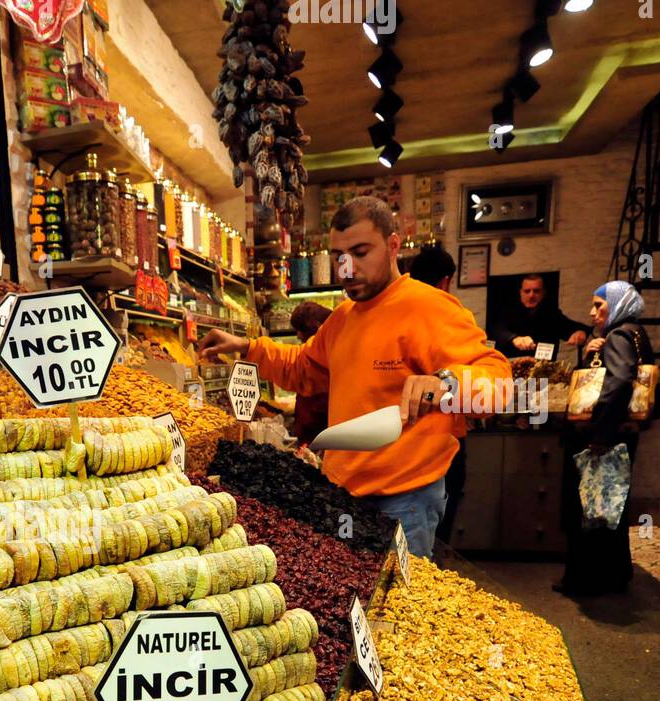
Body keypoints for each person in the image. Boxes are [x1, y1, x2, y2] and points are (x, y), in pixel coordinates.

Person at [198, 196, 512, 558]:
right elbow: (302, 369)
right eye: (338, 255)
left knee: (395, 608)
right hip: (342, 494)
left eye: (361, 252)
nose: (346, 268)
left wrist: (446, 383)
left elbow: (498, 382)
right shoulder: (343, 319)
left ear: (393, 245)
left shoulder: (429, 308)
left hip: (404, 501)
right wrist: (247, 347)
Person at [556, 281, 652, 596]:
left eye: (599, 305)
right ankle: (614, 574)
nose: (592, 312)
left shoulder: (619, 335)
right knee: (612, 506)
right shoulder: (636, 333)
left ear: (618, 304)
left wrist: (599, 434)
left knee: (588, 508)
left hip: (601, 438)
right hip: (621, 436)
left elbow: (619, 380)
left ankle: (584, 580)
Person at [407, 245, 466, 545]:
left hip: (399, 455)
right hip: (436, 448)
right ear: (446, 281)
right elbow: (488, 377)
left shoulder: (394, 310)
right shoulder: (447, 312)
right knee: (428, 540)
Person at [491, 273, 589, 359]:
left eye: (536, 291)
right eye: (527, 291)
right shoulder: (508, 312)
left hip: (541, 372)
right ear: (521, 293)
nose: (531, 295)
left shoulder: (551, 314)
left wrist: (580, 332)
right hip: (512, 372)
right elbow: (496, 331)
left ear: (543, 293)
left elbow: (570, 326)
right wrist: (514, 338)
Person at [288, 301, 332, 446]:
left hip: (322, 440)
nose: (299, 336)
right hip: (311, 437)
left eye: (302, 330)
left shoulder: (327, 357)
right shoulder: (311, 354)